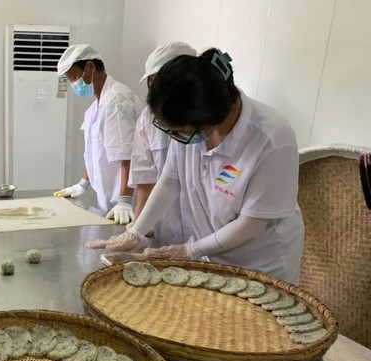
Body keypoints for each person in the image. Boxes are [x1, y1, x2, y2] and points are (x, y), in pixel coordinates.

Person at [88, 48, 305, 285]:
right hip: (214, 254)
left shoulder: (271, 139)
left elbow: (251, 224)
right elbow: (170, 181)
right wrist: (136, 232)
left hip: (261, 264)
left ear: (207, 120)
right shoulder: (193, 125)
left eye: (182, 131)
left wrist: (191, 250)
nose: (179, 137)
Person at [54, 44, 143, 225]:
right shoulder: (94, 108)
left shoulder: (117, 101)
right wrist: (83, 183)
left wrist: (125, 200)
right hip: (108, 200)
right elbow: (95, 153)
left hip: (126, 203)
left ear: (90, 67)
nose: (74, 85)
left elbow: (127, 155)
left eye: (74, 77)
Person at [128, 42, 197, 246]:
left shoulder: (207, 115)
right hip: (166, 221)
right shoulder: (148, 118)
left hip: (205, 228)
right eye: (154, 82)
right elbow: (147, 174)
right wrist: (139, 225)